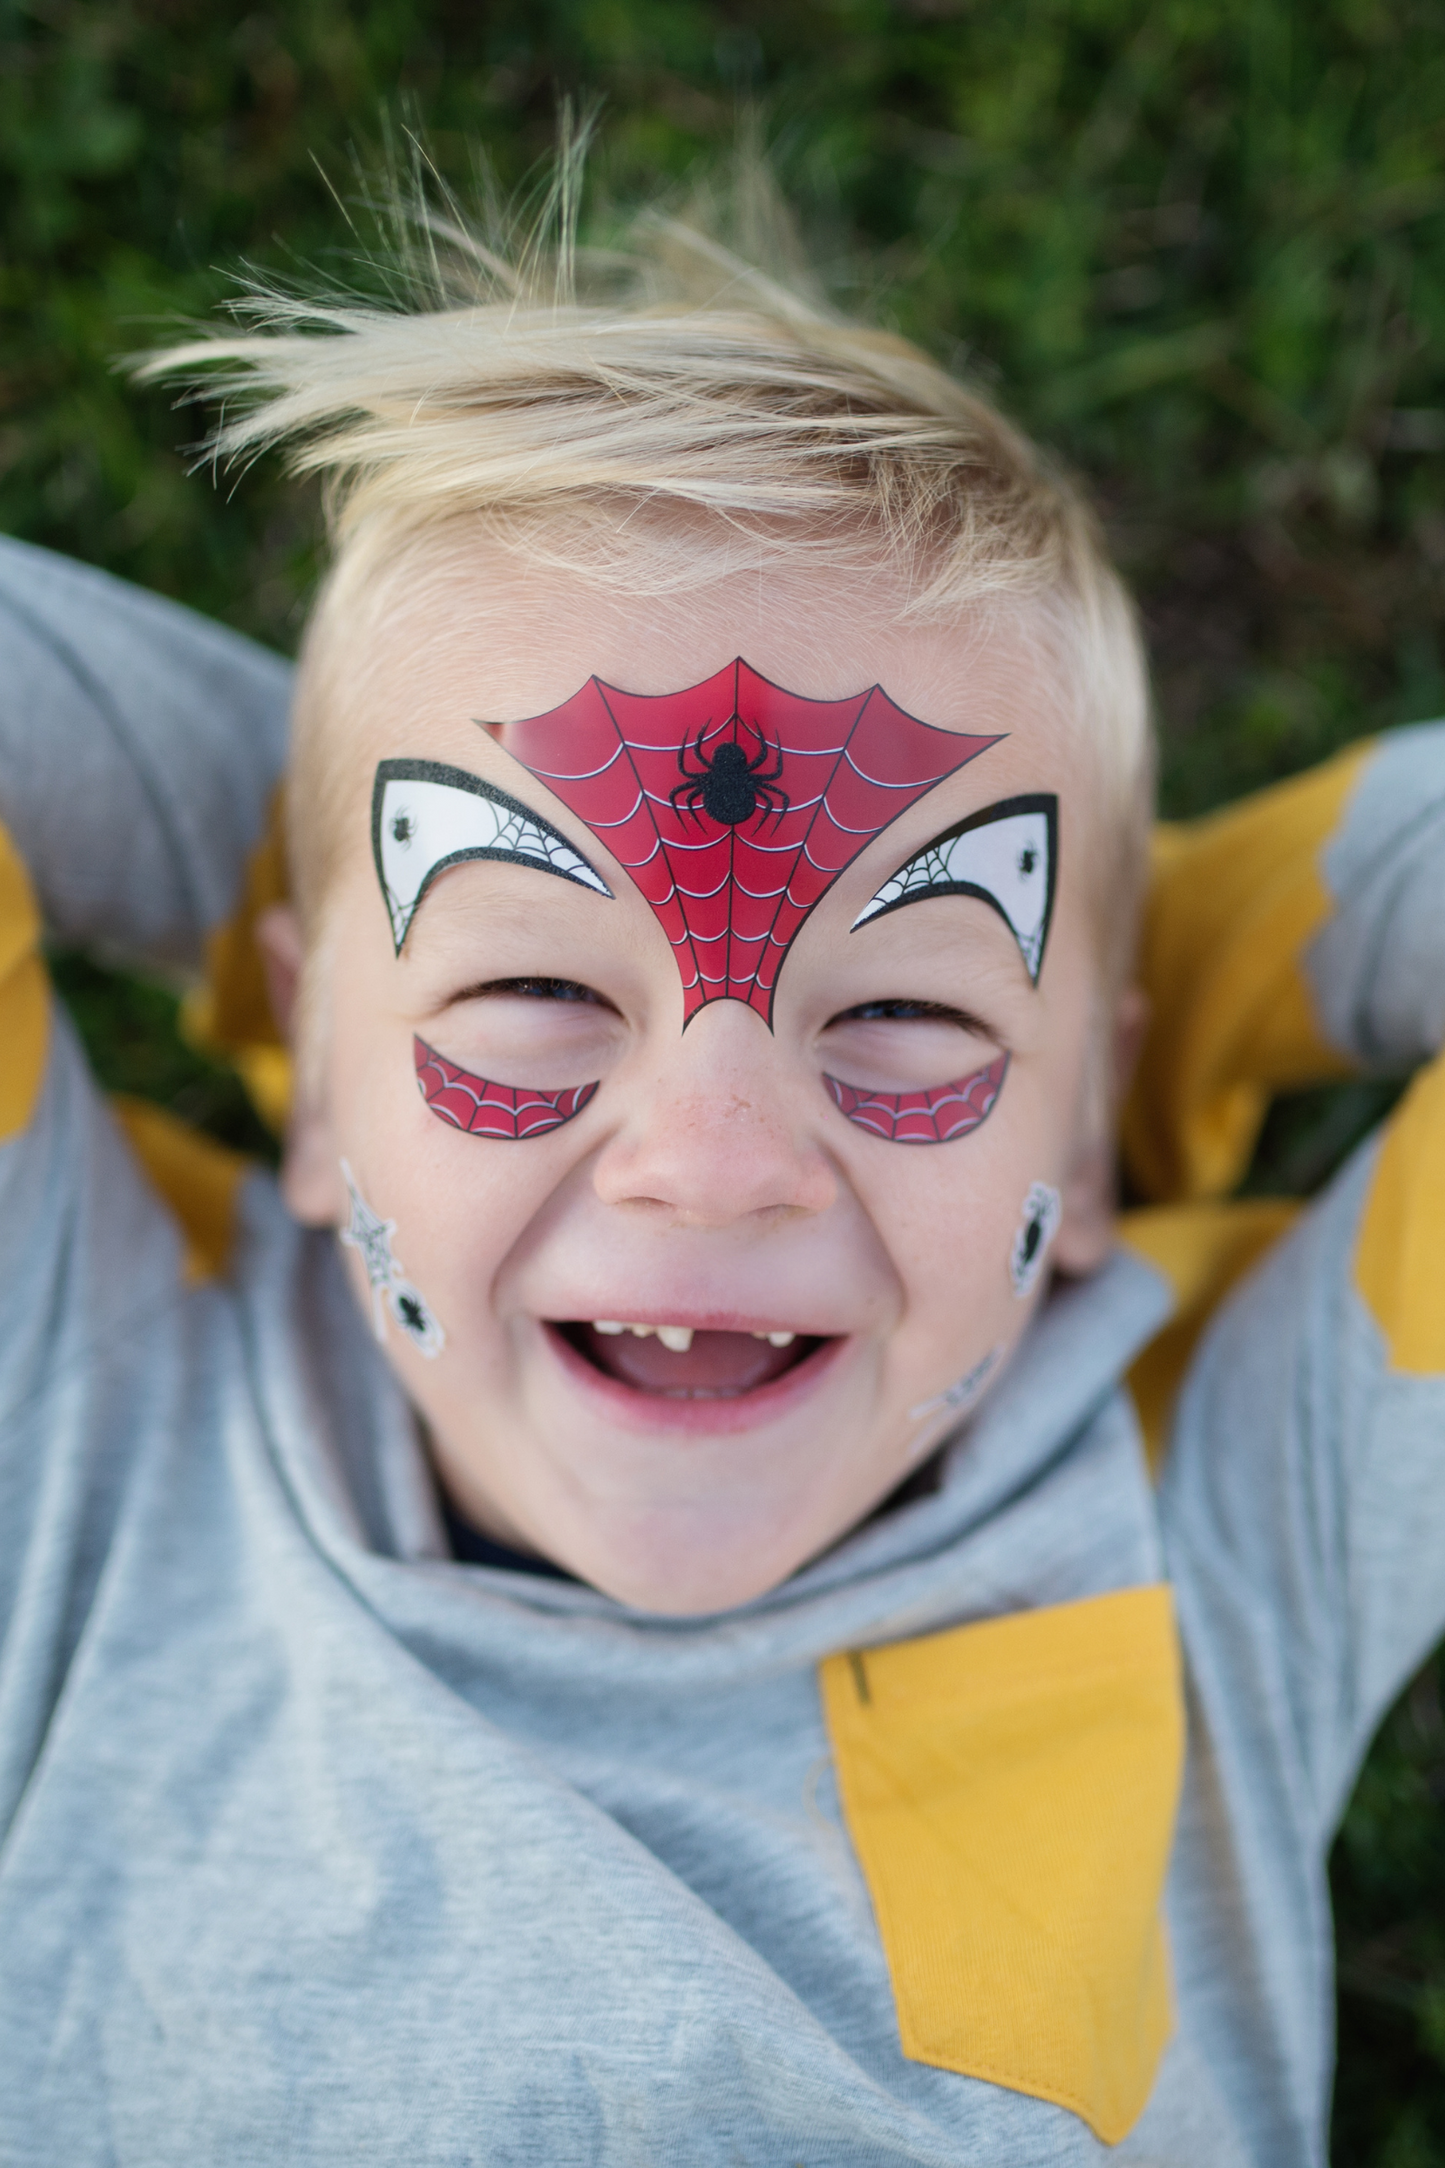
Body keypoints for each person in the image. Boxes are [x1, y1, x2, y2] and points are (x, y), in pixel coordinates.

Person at [1, 183, 1442, 2168]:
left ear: (1086, 1121)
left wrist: (1155, 964)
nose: (714, 1161)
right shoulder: (95, 1426)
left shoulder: (1219, 1519)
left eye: (909, 1021)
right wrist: (332, 847)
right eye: (524, 985)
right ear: (312, 1081)